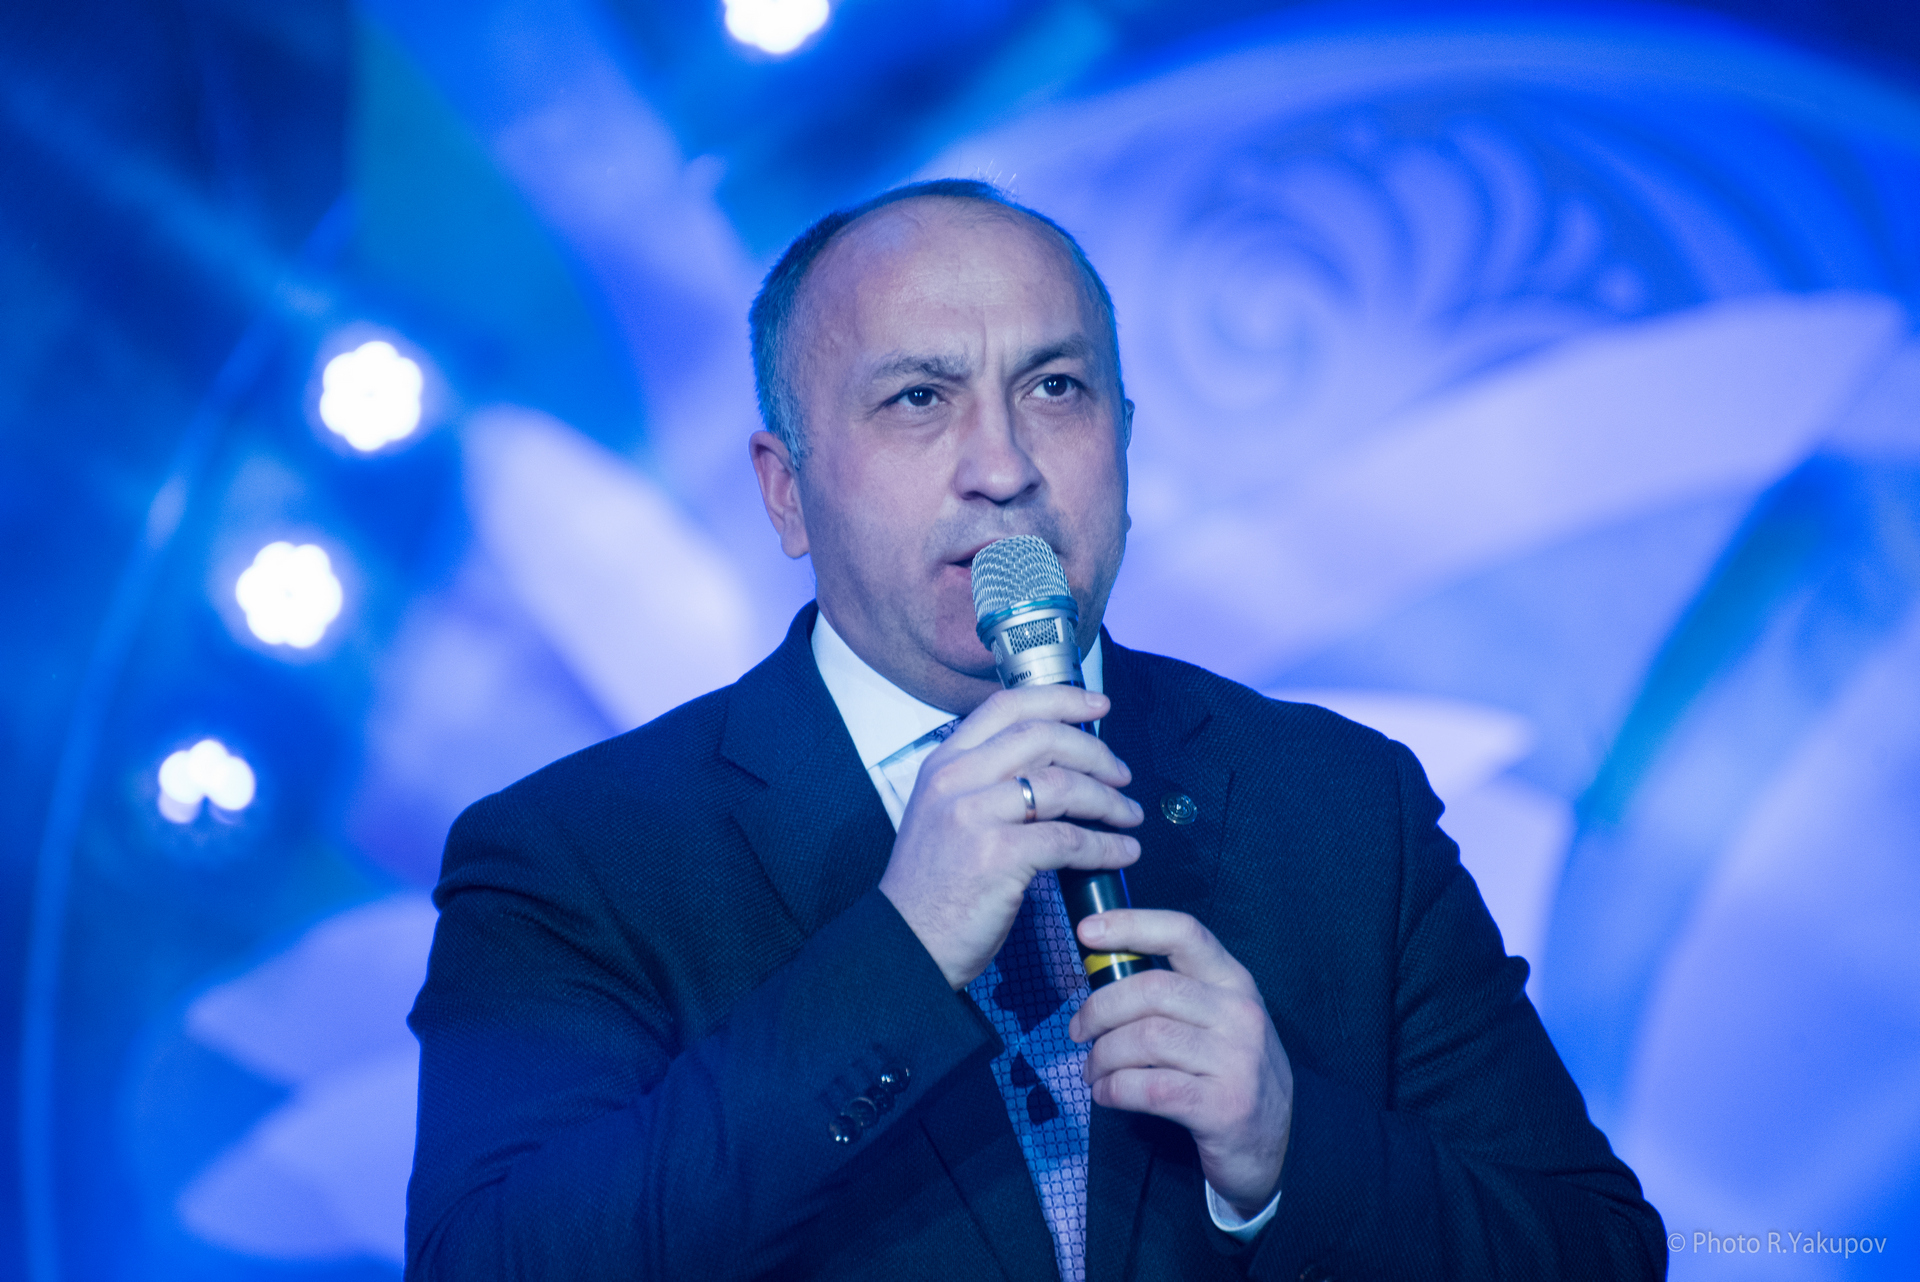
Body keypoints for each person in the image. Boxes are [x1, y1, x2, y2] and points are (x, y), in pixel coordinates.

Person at [405, 179, 1665, 1280]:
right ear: (786, 491)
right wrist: (897, 957)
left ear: (1126, 441)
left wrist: (1289, 1149)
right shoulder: (577, 856)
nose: (1002, 464)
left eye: (1055, 388)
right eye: (918, 398)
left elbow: (1598, 1251)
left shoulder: (1338, 802)